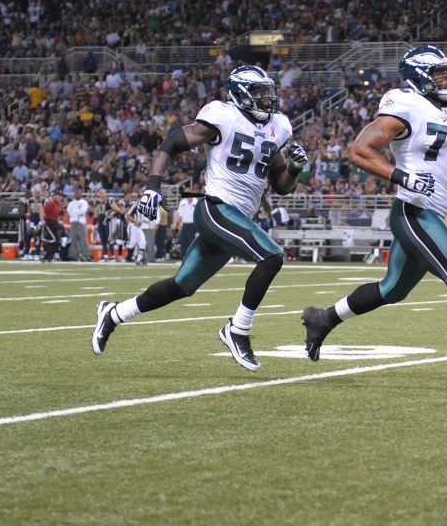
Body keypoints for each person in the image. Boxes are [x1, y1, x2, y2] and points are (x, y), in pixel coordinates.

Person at [299, 46, 447, 393]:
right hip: (414, 210)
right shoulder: (404, 104)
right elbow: (358, 151)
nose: (446, 79)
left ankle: (322, 318)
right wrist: (402, 177)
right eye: (438, 73)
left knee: (391, 290)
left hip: (432, 208)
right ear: (419, 76)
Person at [92, 65, 307, 372]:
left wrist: (295, 169)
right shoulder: (222, 116)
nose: (267, 98)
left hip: (238, 217)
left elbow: (282, 186)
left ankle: (113, 314)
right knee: (271, 257)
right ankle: (237, 331)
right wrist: (153, 187)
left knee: (182, 285)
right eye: (259, 92)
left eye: (267, 92)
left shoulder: (279, 126)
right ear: (242, 93)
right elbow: (171, 144)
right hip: (216, 208)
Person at [66, 189, 91, 262]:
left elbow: (83, 211)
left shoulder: (84, 202)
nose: (77, 194)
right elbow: (68, 211)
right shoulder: (71, 203)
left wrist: (74, 212)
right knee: (73, 239)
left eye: (79, 193)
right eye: (76, 193)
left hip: (81, 222)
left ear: (81, 194)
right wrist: (76, 212)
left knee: (83, 240)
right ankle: (74, 256)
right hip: (73, 222)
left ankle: (86, 255)